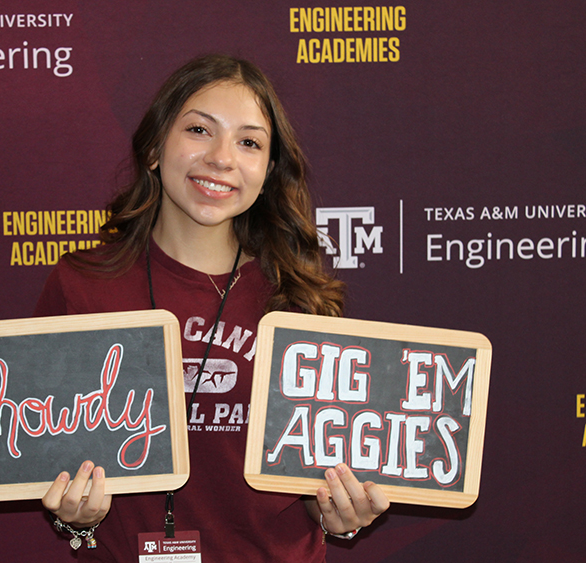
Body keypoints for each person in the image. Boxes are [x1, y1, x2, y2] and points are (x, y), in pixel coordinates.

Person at [35, 54, 389, 562]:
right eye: (200, 130)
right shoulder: (81, 287)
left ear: (267, 172)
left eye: (249, 142)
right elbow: (43, 457)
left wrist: (340, 516)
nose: (222, 158)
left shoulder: (299, 300)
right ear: (156, 148)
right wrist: (77, 520)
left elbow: (314, 481)